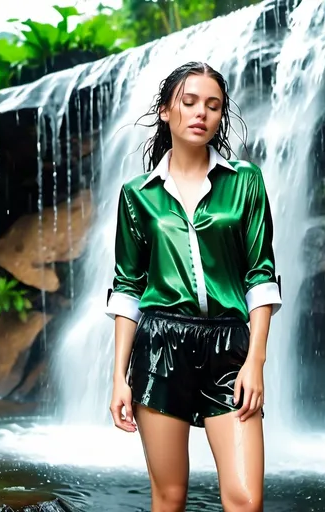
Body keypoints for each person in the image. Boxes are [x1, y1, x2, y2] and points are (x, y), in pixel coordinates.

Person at [105, 61, 282, 512]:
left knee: (245, 500)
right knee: (170, 497)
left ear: (221, 116)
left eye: (213, 105)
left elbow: (260, 274)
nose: (201, 113)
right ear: (166, 110)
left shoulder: (245, 182)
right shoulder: (138, 194)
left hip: (229, 346)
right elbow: (127, 286)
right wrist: (118, 379)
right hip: (160, 346)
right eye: (189, 102)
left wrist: (255, 360)